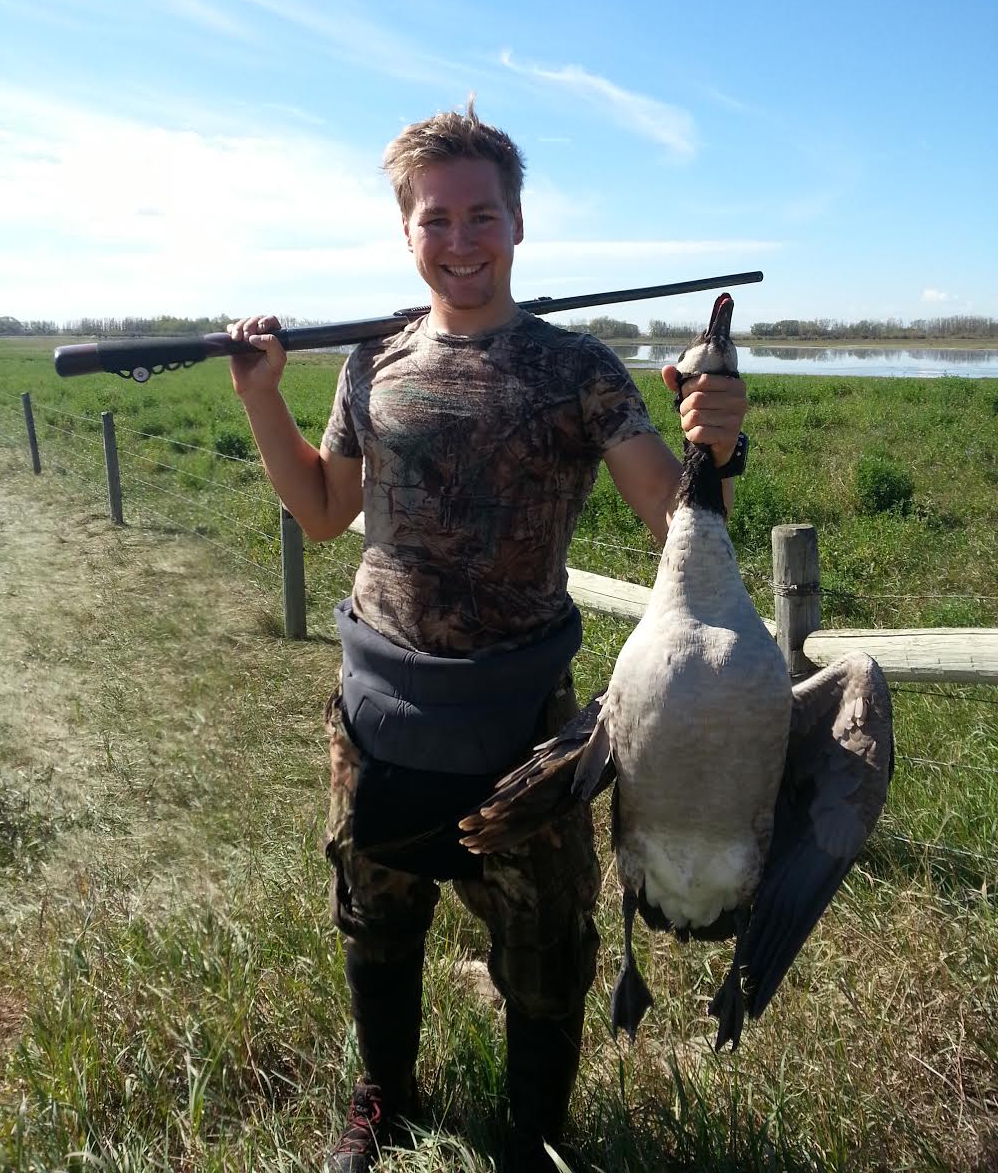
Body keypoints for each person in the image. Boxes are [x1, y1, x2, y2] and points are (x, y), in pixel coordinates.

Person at [227, 99, 747, 1172]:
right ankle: (385, 1099)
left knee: (548, 953)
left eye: (481, 216)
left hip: (524, 724)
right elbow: (325, 513)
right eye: (436, 220)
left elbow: (670, 518)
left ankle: (534, 1141)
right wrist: (261, 402)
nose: (460, 240)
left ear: (518, 223)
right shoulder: (371, 364)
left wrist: (715, 445)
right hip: (377, 709)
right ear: (406, 233)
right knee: (376, 920)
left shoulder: (577, 369)